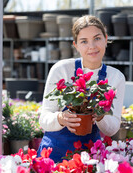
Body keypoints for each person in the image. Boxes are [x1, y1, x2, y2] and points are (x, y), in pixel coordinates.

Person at [37, 15, 126, 162]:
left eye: (97, 38)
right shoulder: (61, 69)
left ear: (105, 39)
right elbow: (44, 118)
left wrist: (101, 116)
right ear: (76, 45)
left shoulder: (116, 77)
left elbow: (112, 129)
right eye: (84, 41)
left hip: (89, 155)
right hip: (54, 154)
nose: (92, 46)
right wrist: (60, 118)